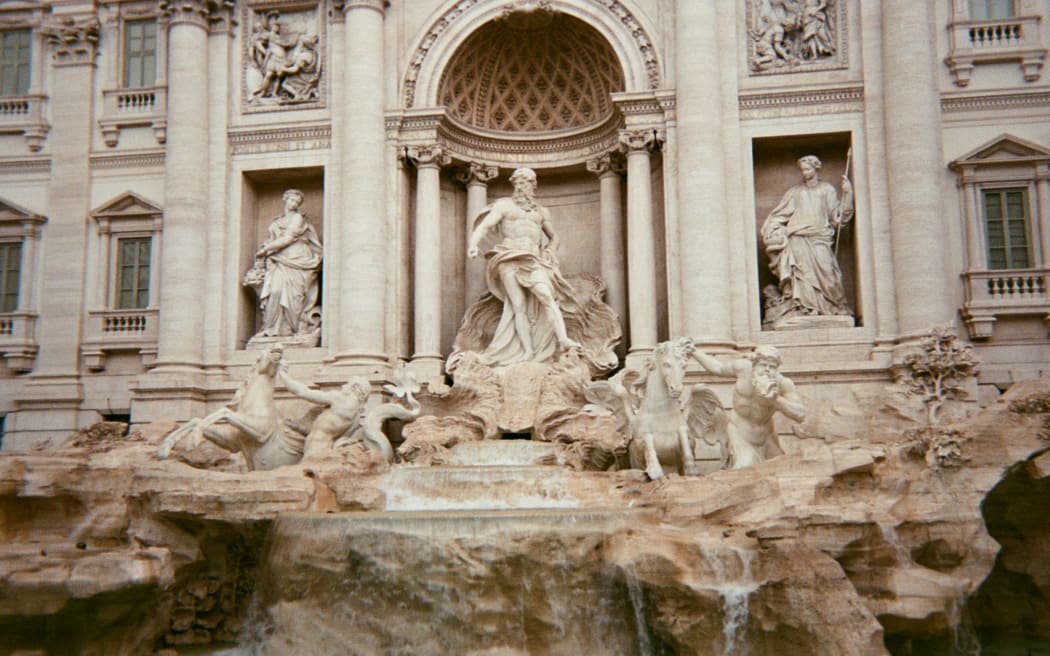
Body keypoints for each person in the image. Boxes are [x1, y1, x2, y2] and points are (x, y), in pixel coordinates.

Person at [467, 168, 581, 366]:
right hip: (508, 257)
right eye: (518, 183)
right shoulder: (504, 205)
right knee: (517, 305)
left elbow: (554, 237)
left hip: (533, 259)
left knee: (547, 296)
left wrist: (550, 251)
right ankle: (528, 352)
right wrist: (473, 244)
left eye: (525, 183)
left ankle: (562, 339)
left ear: (533, 185)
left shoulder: (541, 212)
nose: (521, 187)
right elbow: (484, 227)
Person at [760, 154, 853, 321]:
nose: (804, 173)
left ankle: (832, 307)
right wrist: (774, 230)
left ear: (816, 168)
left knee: (828, 274)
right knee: (801, 276)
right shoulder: (795, 192)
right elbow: (778, 216)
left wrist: (848, 195)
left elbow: (838, 218)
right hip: (797, 238)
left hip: (820, 238)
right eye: (802, 170)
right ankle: (805, 309)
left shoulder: (827, 190)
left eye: (808, 169)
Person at [688, 344, 806, 469]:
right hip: (740, 431)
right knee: (744, 467)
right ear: (754, 364)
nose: (766, 370)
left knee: (781, 469)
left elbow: (800, 414)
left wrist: (776, 399)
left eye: (771, 367)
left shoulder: (783, 384)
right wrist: (695, 352)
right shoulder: (742, 369)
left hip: (766, 435)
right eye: (762, 365)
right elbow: (718, 368)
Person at [247, 189, 323, 339]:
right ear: (285, 199)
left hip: (297, 257)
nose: (294, 204)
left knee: (295, 296)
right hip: (279, 259)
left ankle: (293, 329)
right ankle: (271, 328)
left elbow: (288, 238)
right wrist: (266, 251)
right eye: (292, 200)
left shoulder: (298, 218)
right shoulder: (276, 221)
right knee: (275, 291)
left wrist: (265, 250)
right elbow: (272, 239)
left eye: (297, 202)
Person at [279, 368, 371, 458]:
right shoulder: (356, 418)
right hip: (325, 449)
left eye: (347, 384)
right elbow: (328, 432)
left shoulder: (340, 399)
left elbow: (303, 392)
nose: (343, 386)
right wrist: (299, 428)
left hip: (314, 450)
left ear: (354, 387)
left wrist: (282, 374)